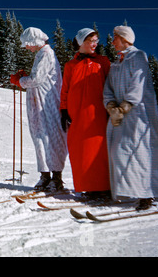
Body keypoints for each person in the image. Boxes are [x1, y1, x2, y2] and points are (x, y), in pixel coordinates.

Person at [103, 25, 158, 210]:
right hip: (120, 115)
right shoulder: (116, 63)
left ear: (124, 39)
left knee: (141, 154)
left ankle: (147, 194)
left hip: (138, 114)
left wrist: (125, 106)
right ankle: (130, 190)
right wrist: (112, 106)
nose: (112, 42)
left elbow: (138, 83)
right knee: (118, 152)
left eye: (115, 38)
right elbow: (108, 88)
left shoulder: (138, 56)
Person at [10, 27, 67, 191]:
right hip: (38, 103)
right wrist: (22, 78)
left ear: (34, 41)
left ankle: (56, 179)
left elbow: (36, 79)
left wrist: (20, 80)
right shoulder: (40, 55)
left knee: (49, 139)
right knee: (39, 138)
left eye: (27, 44)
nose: (26, 48)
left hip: (47, 104)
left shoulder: (47, 54)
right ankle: (45, 176)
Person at [60, 28, 111, 199]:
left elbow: (111, 86)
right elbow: (65, 89)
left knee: (99, 151)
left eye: (96, 40)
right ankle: (88, 188)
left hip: (98, 114)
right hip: (77, 115)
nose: (95, 44)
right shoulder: (70, 65)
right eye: (91, 41)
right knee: (80, 152)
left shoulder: (103, 62)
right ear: (81, 42)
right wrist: (64, 110)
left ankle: (104, 188)